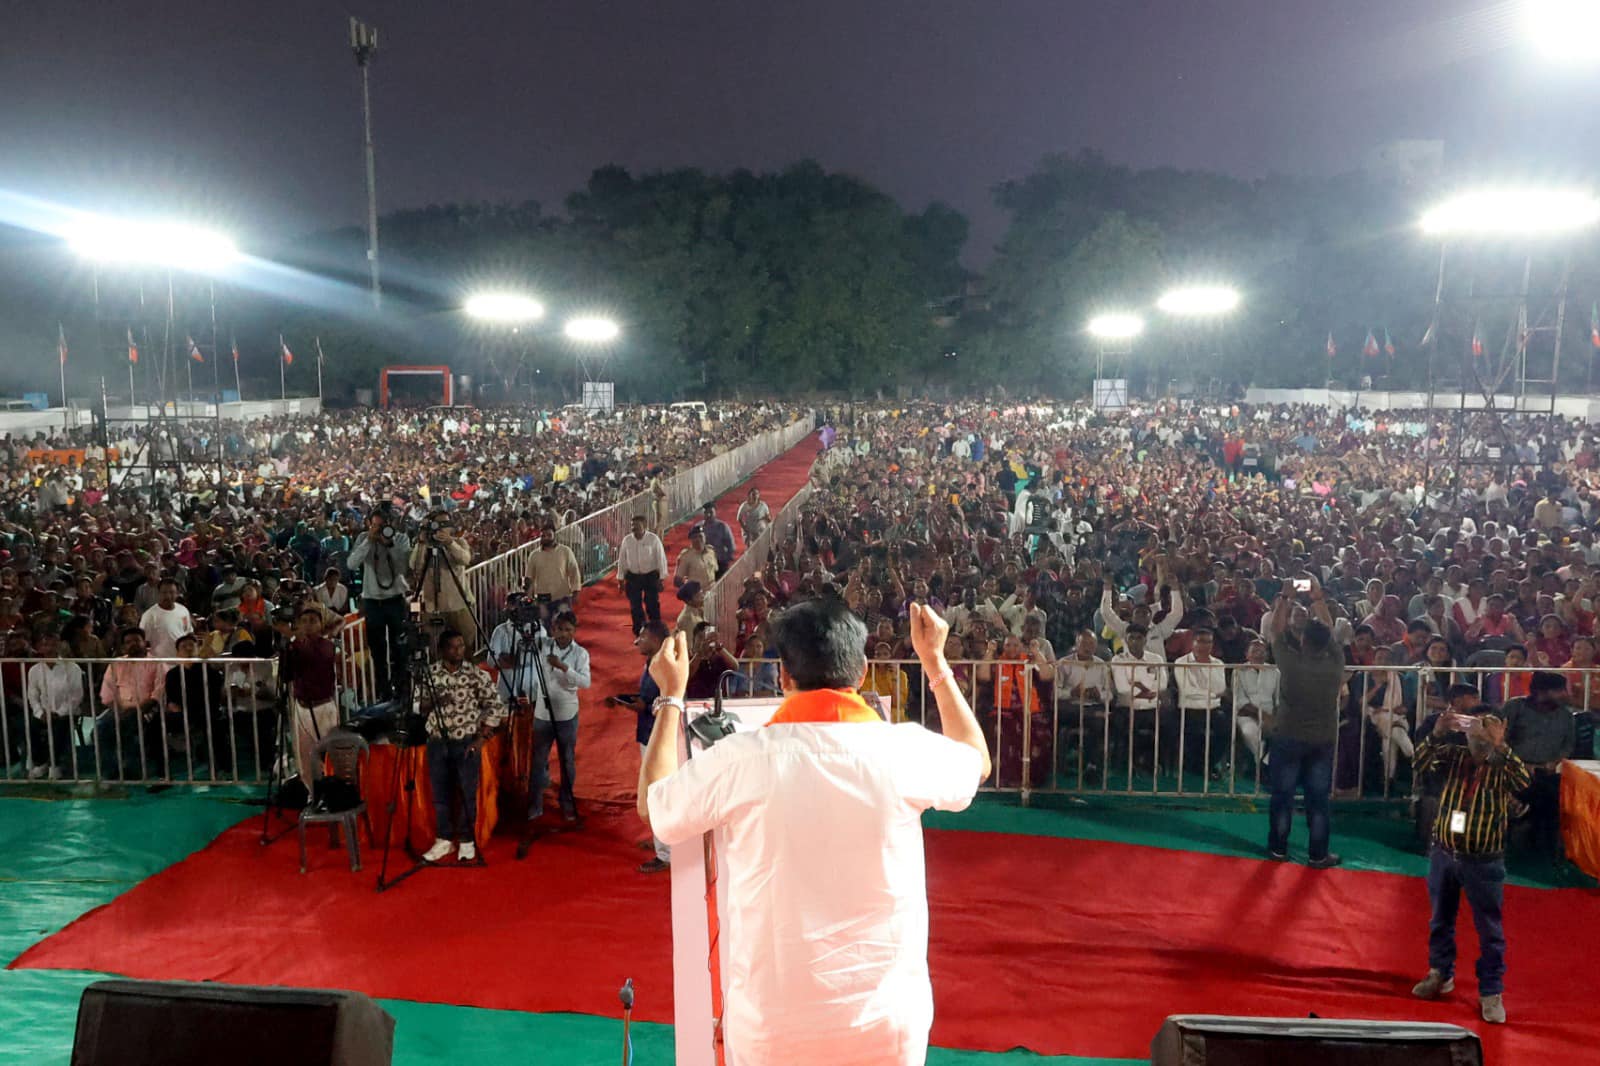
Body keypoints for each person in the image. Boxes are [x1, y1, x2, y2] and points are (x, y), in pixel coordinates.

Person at [637, 599, 990, 1066]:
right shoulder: (903, 750)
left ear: (783, 676)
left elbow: (654, 805)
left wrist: (670, 696)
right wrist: (935, 662)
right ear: (862, 673)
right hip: (886, 1023)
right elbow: (976, 761)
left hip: (774, 1027)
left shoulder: (740, 758)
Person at [1410, 705, 1531, 1025]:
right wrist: (1437, 733)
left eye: (1487, 728)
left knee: (1489, 930)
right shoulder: (1454, 756)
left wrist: (1500, 747)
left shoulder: (1503, 765)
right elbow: (1419, 762)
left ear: (1499, 730)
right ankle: (1440, 972)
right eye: (1475, 727)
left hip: (1483, 860)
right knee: (1440, 919)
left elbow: (1523, 781)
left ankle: (1491, 991)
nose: (1479, 734)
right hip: (1444, 852)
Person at [1265, 579, 1346, 867]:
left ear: (1303, 640)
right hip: (1322, 740)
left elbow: (1275, 631)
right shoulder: (1335, 663)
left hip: (1288, 736)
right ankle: (1318, 854)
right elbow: (1330, 632)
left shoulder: (1291, 663)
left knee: (1283, 796)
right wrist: (1318, 599)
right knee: (1318, 800)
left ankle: (1278, 849)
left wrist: (1285, 598)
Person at [419, 630, 505, 864]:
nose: (458, 651)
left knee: (467, 794)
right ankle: (444, 839)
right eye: (452, 647)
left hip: (466, 742)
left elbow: (495, 706)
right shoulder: (429, 674)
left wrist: (480, 740)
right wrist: (437, 701)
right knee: (440, 795)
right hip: (437, 742)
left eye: (461, 646)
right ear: (442, 650)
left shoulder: (475, 674)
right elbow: (419, 706)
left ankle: (467, 841)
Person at [510, 610, 592, 856]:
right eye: (559, 629)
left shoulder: (580, 654)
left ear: (575, 631)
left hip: (566, 714)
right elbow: (524, 648)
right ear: (553, 629)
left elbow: (585, 682)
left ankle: (567, 803)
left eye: (568, 629)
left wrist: (563, 668)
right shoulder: (543, 645)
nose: (563, 634)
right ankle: (535, 806)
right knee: (538, 762)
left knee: (567, 760)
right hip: (542, 715)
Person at [612, 620, 671, 873]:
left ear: (656, 640)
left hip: (657, 737)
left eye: (642, 637)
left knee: (658, 794)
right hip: (649, 734)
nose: (637, 642)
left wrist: (641, 707)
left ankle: (666, 853)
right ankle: (662, 843)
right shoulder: (653, 663)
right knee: (654, 792)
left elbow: (665, 702)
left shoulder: (664, 667)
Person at [1499, 671, 1577, 855]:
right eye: (1559, 690)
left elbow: (1568, 745)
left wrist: (1554, 762)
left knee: (1553, 801)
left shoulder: (1566, 716)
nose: (1564, 694)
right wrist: (1519, 764)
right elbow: (1500, 740)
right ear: (1542, 692)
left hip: (1547, 773)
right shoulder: (1515, 708)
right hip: (1512, 771)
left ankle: (1545, 852)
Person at [347, 511, 412, 700]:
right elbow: (351, 564)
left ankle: (401, 689)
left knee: (399, 648)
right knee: (377, 650)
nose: (379, 529)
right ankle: (384, 691)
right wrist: (369, 541)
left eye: (382, 525)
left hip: (395, 600)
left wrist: (389, 545)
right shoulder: (363, 538)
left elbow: (403, 568)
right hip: (373, 602)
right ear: (369, 524)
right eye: (375, 525)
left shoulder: (400, 539)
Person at [280, 606, 341, 792]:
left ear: (321, 625)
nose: (308, 625)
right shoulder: (294, 647)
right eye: (304, 621)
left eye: (313, 621)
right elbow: (286, 675)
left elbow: (314, 657)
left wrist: (294, 639)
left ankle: (334, 792)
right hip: (301, 707)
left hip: (323, 707)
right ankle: (311, 794)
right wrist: (288, 648)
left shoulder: (327, 646)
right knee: (304, 757)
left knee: (330, 755)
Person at [96, 627, 167, 781]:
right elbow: (107, 693)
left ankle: (132, 770)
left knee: (131, 726)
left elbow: (158, 692)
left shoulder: (157, 663)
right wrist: (119, 710)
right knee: (101, 727)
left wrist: (138, 710)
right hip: (119, 710)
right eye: (128, 642)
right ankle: (109, 771)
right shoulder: (116, 664)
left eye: (136, 640)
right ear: (123, 646)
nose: (132, 644)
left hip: (147, 710)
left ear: (144, 643)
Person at [410, 510, 476, 653]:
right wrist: (422, 542)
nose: (441, 528)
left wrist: (449, 543)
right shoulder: (424, 546)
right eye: (437, 524)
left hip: (458, 603)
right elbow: (415, 566)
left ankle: (467, 666)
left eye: (445, 524)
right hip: (433, 606)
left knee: (466, 643)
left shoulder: (459, 542)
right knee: (435, 648)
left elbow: (465, 559)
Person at [25, 629, 84, 779]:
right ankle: (41, 763)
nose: (49, 648)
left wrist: (59, 713)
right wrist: (40, 713)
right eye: (45, 645)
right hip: (44, 712)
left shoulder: (72, 668)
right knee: (32, 725)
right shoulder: (34, 670)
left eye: (53, 644)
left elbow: (76, 696)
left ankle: (55, 764)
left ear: (59, 645)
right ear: (39, 647)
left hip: (67, 712)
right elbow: (32, 695)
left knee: (60, 725)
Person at [617, 513, 667, 634]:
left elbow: (661, 559)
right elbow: (622, 560)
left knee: (652, 604)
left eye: (637, 526)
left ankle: (656, 629)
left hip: (650, 576)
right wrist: (620, 579)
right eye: (632, 526)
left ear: (644, 526)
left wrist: (661, 578)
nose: (634, 528)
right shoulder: (627, 540)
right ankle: (639, 631)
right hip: (633, 577)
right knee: (635, 606)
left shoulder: (653, 539)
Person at [526, 523, 582, 612]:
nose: (546, 538)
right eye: (543, 536)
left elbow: (574, 572)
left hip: (563, 597)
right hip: (542, 599)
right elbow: (529, 577)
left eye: (549, 535)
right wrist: (529, 597)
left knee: (564, 620)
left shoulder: (565, 551)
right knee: (544, 621)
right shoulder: (534, 555)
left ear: (554, 535)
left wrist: (576, 591)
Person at [139, 578, 194, 660]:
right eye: (164, 592)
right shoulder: (149, 615)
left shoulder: (183, 610)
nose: (168, 596)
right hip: (160, 662)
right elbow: (144, 642)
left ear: (177, 594)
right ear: (158, 593)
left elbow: (188, 633)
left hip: (181, 661)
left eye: (171, 592)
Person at [675, 526, 718, 590]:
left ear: (705, 537)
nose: (698, 540)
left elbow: (715, 571)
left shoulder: (711, 552)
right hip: (697, 594)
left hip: (712, 592)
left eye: (700, 536)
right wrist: (690, 592)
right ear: (691, 540)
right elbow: (677, 580)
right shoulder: (686, 556)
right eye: (695, 537)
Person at [700, 502, 738, 572]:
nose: (708, 515)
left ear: (715, 512)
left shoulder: (722, 526)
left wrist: (726, 559)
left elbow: (731, 545)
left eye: (711, 512)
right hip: (705, 564)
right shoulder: (699, 528)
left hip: (720, 562)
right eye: (706, 513)